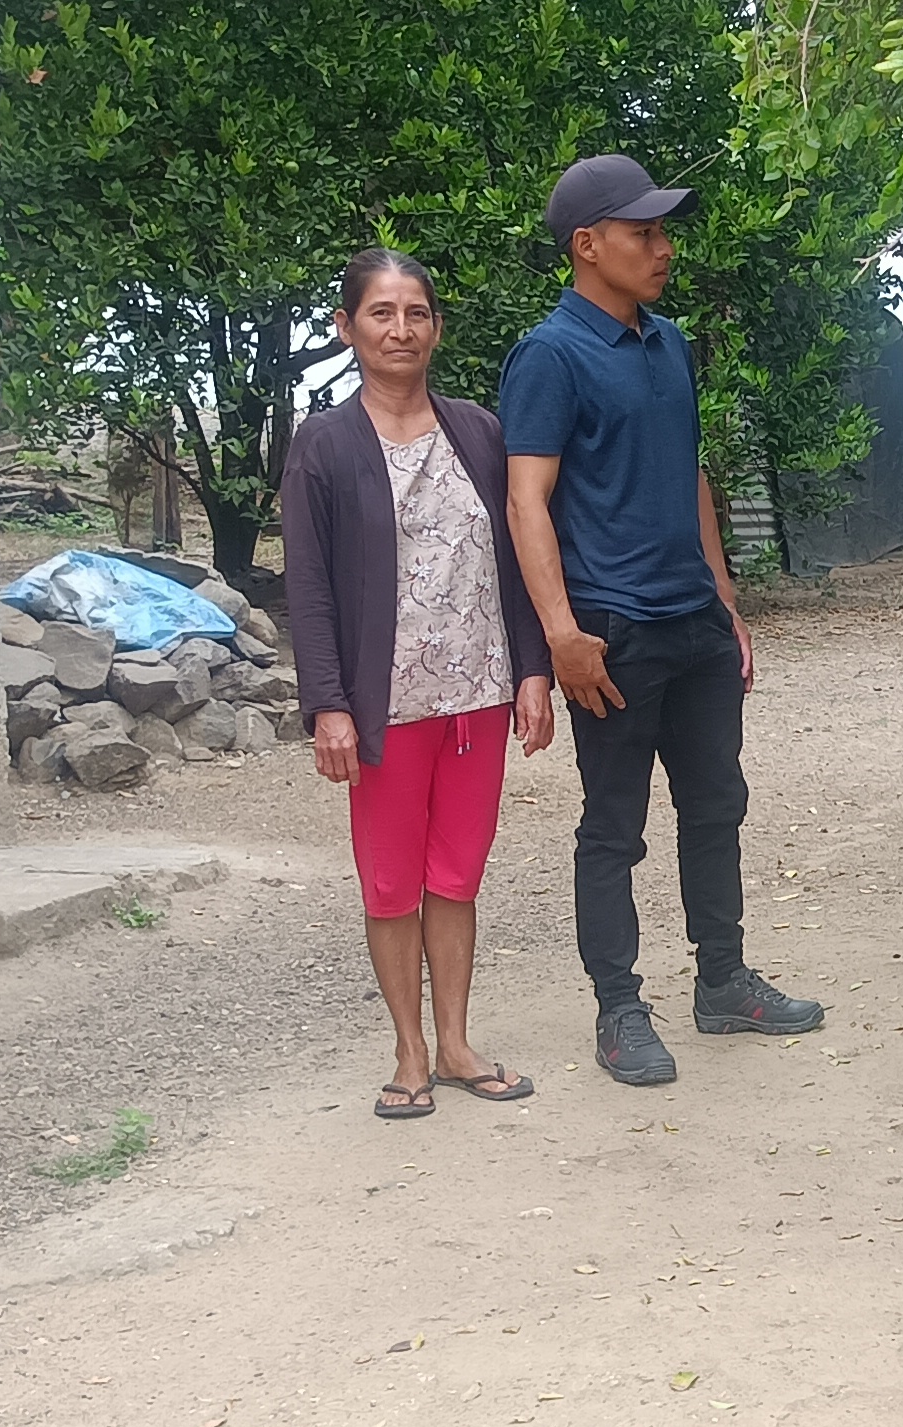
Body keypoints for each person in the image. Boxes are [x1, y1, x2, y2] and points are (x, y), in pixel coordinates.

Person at [500, 154, 824, 1085]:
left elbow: (690, 475)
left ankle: (723, 983)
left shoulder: (670, 342)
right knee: (614, 826)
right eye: (643, 233)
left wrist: (726, 603)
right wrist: (561, 634)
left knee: (716, 804)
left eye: (663, 232)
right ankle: (618, 1009)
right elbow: (527, 501)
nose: (663, 248)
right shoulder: (549, 355)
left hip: (694, 624)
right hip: (613, 633)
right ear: (587, 245)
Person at [283, 247, 555, 1117]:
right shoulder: (325, 445)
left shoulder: (477, 432)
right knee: (393, 882)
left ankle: (457, 1043)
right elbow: (308, 586)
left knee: (457, 874)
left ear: (436, 328)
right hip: (384, 707)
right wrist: (328, 704)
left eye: (416, 314)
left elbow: (516, 558)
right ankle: (409, 1053)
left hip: (478, 696)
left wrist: (533, 669)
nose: (400, 330)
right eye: (381, 313)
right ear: (347, 328)